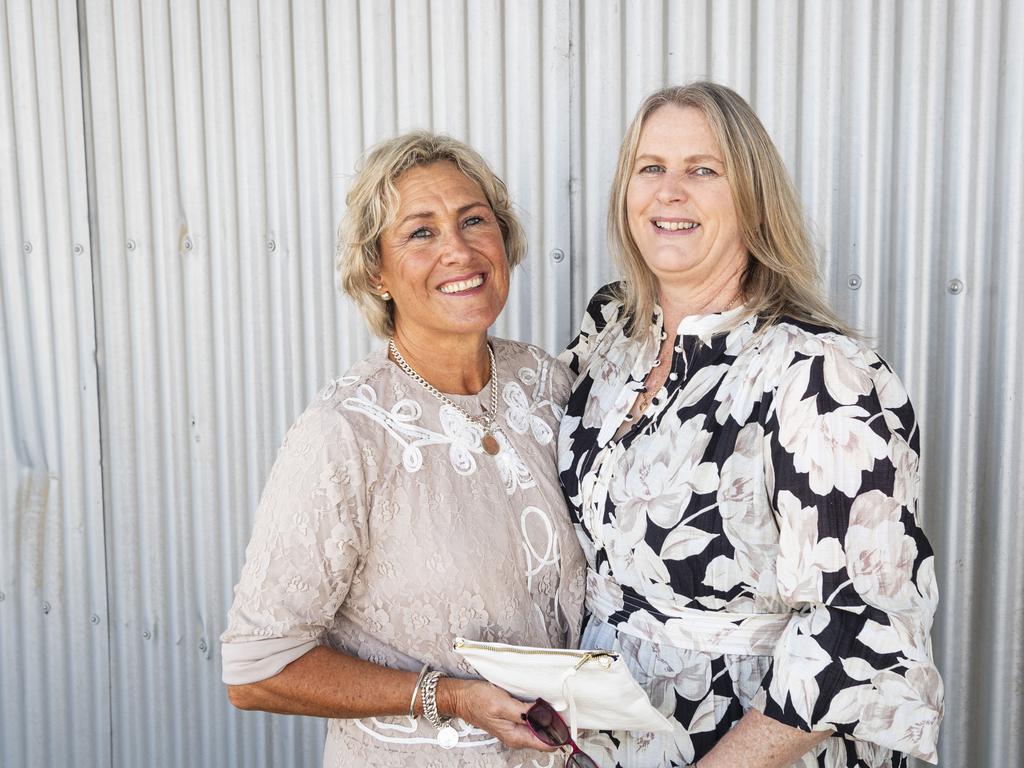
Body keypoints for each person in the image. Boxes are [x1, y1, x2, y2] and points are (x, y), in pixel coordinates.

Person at [558, 82, 943, 768]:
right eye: (651, 167)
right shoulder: (610, 338)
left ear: (753, 199)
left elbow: (859, 626)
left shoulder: (819, 373)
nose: (670, 191)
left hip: (749, 747)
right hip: (608, 740)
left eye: (703, 170)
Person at [221, 131, 586, 768]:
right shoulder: (344, 435)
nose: (458, 249)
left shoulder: (550, 386)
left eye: (475, 221)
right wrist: (449, 697)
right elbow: (256, 670)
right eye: (420, 232)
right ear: (376, 272)